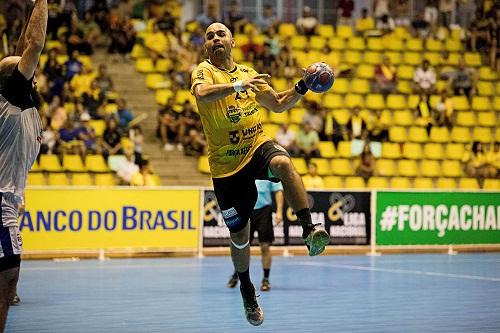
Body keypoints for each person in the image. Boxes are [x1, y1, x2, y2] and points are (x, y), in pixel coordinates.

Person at [191, 22, 329, 326]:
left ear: (232, 41)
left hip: (255, 146)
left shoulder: (248, 73)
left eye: (220, 34)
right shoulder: (204, 71)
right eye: (210, 36)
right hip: (226, 167)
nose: (215, 38)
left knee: (282, 163)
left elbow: (278, 104)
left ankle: (309, 229)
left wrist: (303, 85)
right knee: (239, 236)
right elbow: (202, 95)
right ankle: (246, 289)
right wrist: (236, 87)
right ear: (206, 46)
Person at [0, 0, 47, 330]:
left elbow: (22, 46)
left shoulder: (20, 101)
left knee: (9, 288)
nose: (34, 76)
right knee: (6, 290)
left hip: (9, 204)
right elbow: (33, 43)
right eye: (26, 72)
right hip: (1, 204)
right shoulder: (10, 98)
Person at [227, 180, 284, 292]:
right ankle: (237, 274)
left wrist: (279, 212)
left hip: (264, 211)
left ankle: (266, 279)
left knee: (265, 246)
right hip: (245, 209)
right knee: (241, 246)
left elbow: (278, 190)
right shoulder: (245, 167)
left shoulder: (267, 168)